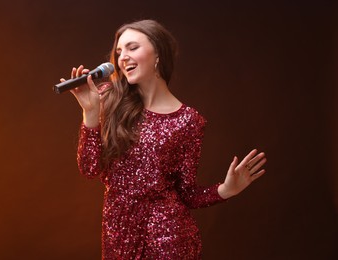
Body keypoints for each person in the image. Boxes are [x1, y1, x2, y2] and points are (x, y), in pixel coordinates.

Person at [60, 19, 267, 259]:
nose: (122, 57)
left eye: (132, 47)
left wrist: (226, 190)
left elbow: (186, 194)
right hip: (118, 236)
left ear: (157, 53)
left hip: (169, 238)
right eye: (118, 52)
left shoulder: (189, 120)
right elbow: (89, 168)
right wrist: (90, 114)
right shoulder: (107, 99)